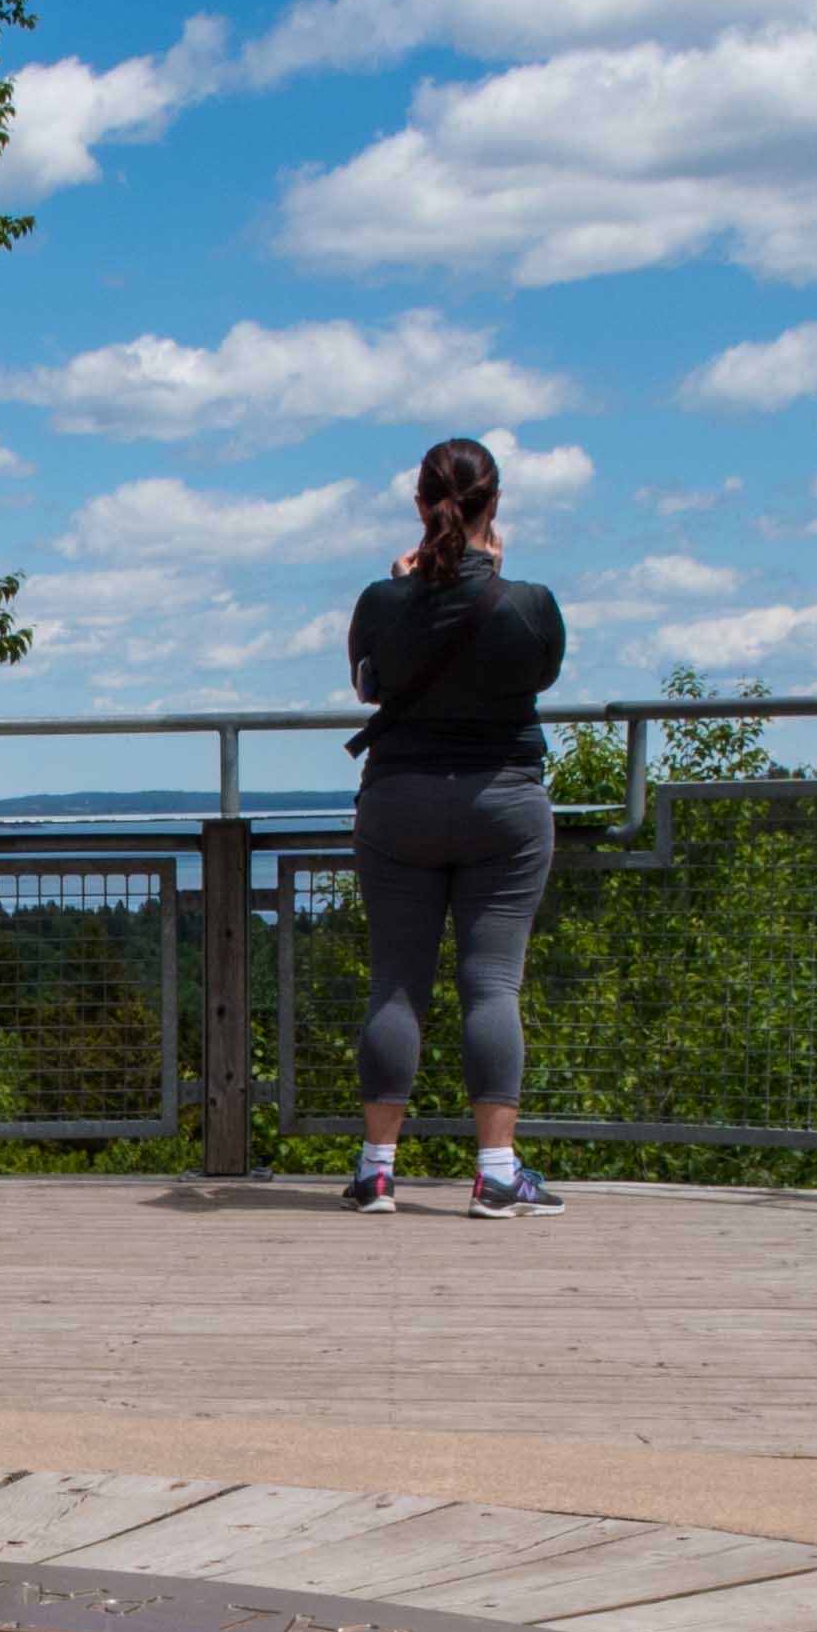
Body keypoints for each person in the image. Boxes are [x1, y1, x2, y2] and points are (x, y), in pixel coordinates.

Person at [336, 434, 567, 1212]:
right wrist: (488, 579)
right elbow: (538, 676)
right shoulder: (529, 604)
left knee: (396, 985)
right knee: (491, 985)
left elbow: (369, 687)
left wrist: (406, 586)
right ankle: (498, 1177)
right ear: (494, 506)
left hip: (398, 801)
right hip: (503, 804)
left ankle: (375, 1170)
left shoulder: (380, 601)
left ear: (418, 505)